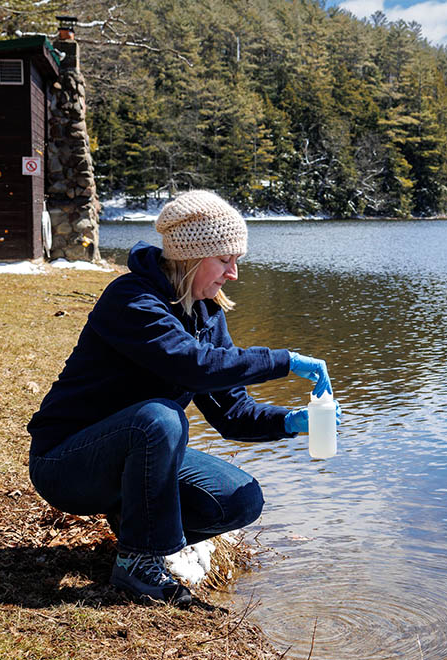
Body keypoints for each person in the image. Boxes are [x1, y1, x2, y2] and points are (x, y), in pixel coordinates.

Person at [27, 190, 338, 605]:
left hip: (130, 458)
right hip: (66, 463)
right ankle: (138, 564)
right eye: (225, 260)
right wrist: (283, 362)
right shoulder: (132, 299)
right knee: (160, 419)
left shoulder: (207, 314)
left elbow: (233, 413)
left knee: (239, 499)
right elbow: (193, 366)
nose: (233, 273)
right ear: (193, 256)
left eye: (236, 261)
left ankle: (136, 534)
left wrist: (290, 421)